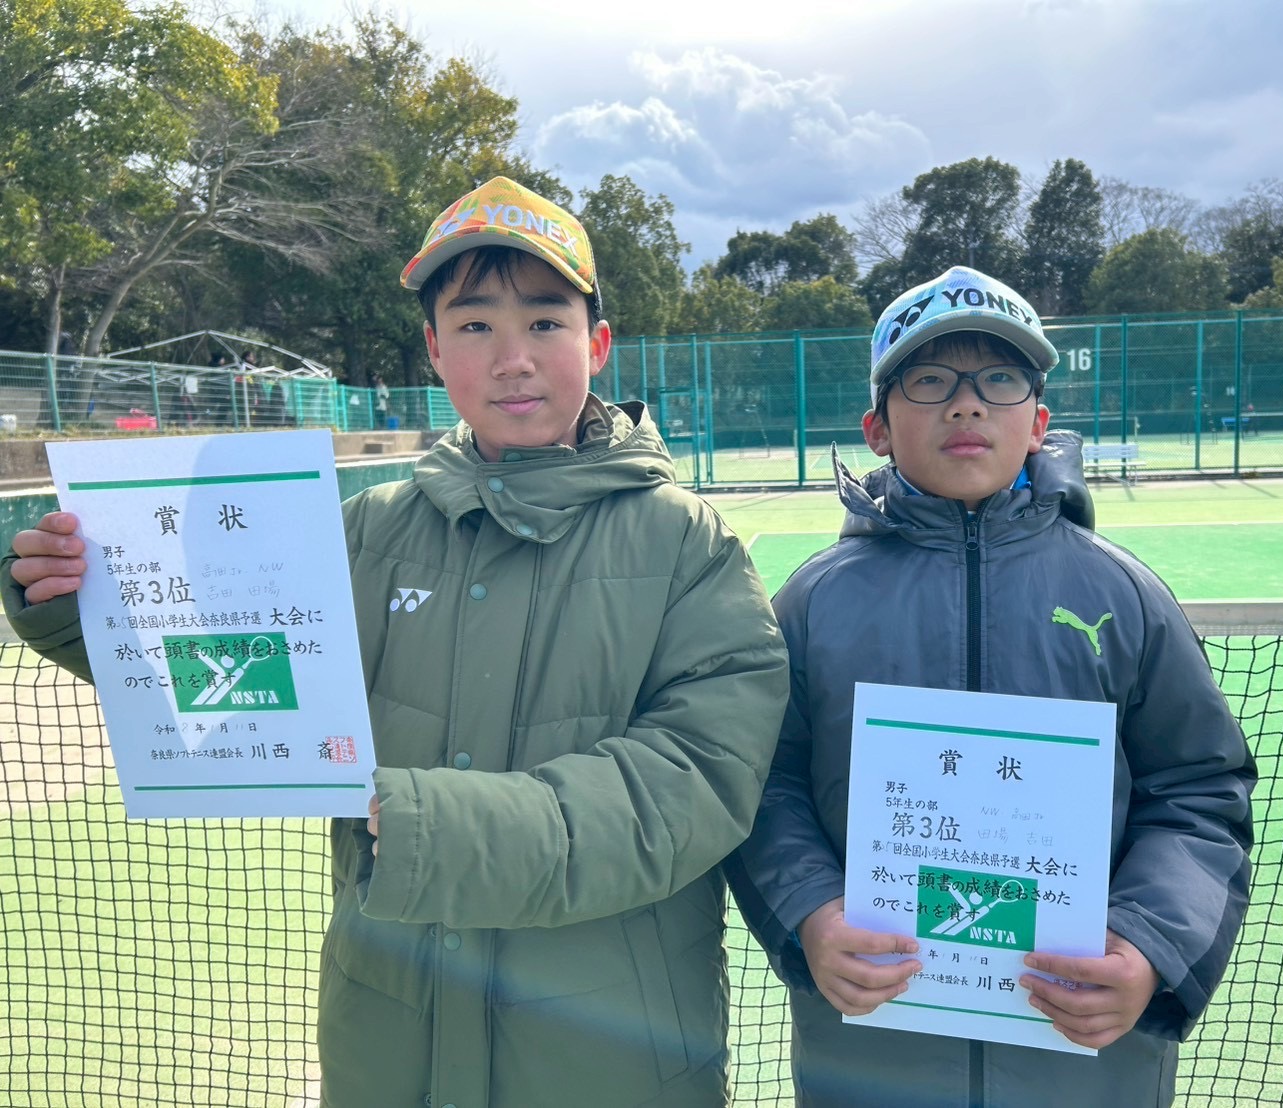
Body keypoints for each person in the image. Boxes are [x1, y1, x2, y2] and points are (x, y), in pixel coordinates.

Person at [3, 176, 790, 1108]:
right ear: (433, 348)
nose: (512, 359)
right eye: (473, 324)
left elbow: (694, 782)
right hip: (386, 1033)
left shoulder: (689, 544)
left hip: (612, 1058)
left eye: (545, 322)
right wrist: (84, 600)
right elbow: (241, 680)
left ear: (597, 343)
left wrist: (437, 827)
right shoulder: (366, 529)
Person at [725, 266, 1256, 1107]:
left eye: (999, 380)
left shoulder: (1124, 595)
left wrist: (1147, 944)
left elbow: (1197, 790)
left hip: (1083, 1065)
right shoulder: (810, 604)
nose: (966, 405)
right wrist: (813, 912)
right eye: (930, 380)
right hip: (870, 1058)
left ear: (1038, 421)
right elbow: (763, 785)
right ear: (877, 428)